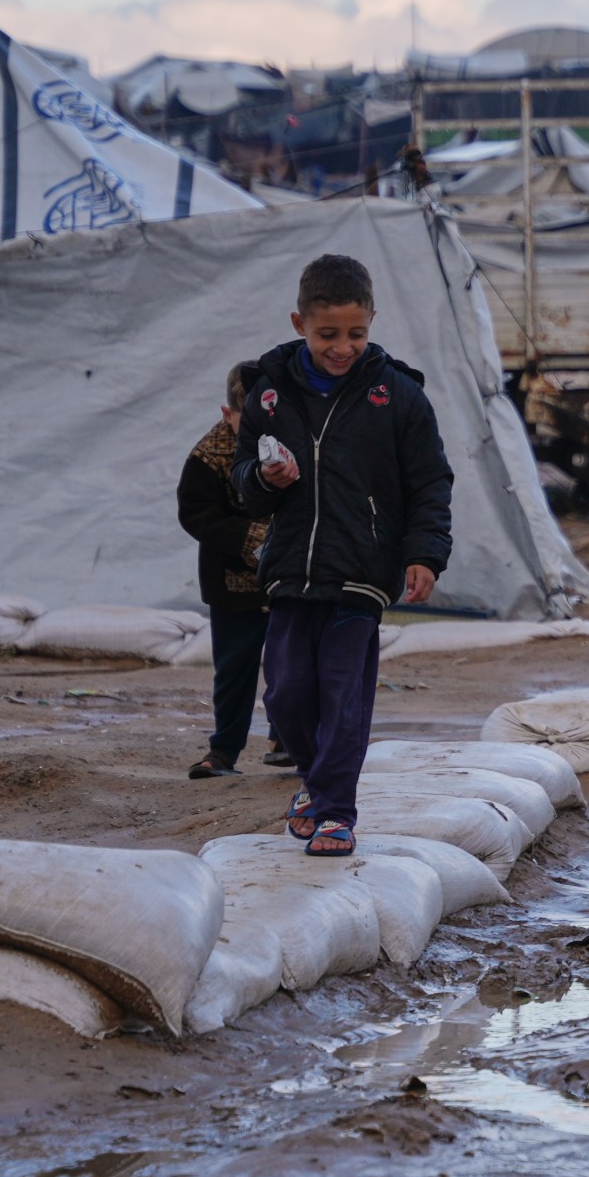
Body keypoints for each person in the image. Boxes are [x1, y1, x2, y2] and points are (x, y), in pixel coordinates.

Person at [233, 255, 454, 856]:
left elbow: (430, 481)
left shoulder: (399, 396)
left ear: (373, 322)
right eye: (328, 335)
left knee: (342, 693)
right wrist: (266, 478)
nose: (343, 347)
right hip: (290, 572)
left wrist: (425, 555)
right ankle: (316, 782)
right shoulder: (270, 393)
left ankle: (336, 812)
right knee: (284, 694)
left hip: (362, 570)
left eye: (356, 334)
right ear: (299, 322)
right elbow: (242, 481)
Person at [175, 363, 292, 779]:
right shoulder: (208, 456)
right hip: (232, 585)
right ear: (228, 416)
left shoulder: (288, 447)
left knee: (290, 663)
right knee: (234, 669)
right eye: (249, 421)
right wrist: (252, 538)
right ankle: (223, 751)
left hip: (288, 581)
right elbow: (195, 514)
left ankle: (287, 739)